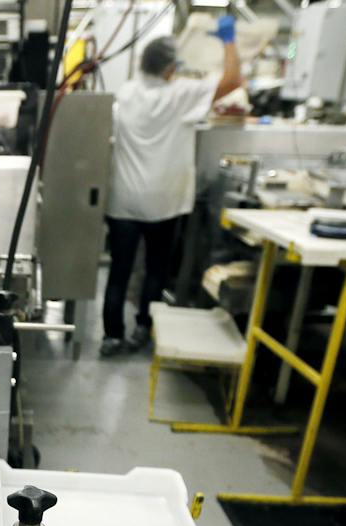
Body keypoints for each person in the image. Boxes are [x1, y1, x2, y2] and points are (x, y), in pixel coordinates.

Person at [101, 18, 243, 357]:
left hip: (123, 201)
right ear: (170, 68)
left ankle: (111, 335)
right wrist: (228, 41)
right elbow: (233, 80)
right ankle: (142, 329)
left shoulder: (126, 93)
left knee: (118, 271)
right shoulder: (182, 94)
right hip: (163, 203)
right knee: (155, 270)